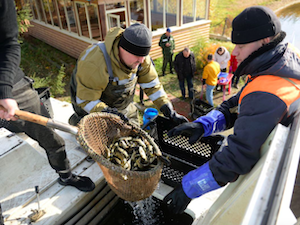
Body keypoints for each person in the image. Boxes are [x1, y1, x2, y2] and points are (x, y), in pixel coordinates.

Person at [163, 5, 300, 214]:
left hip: (287, 187)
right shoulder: (278, 62)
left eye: (241, 46)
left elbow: (237, 156)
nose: (234, 52)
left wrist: (187, 188)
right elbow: (237, 103)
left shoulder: (268, 95)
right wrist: (202, 125)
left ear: (264, 41)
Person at [0, 0, 95, 192]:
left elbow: (9, 44)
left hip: (9, 81)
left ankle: (66, 175)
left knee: (50, 136)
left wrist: (3, 90)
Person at [69, 23, 188, 128]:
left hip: (123, 108)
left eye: (144, 55)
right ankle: (78, 120)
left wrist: (167, 109)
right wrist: (109, 114)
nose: (141, 60)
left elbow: (152, 86)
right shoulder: (95, 63)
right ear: (122, 48)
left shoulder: (141, 59)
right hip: (90, 107)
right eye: (137, 55)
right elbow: (85, 99)